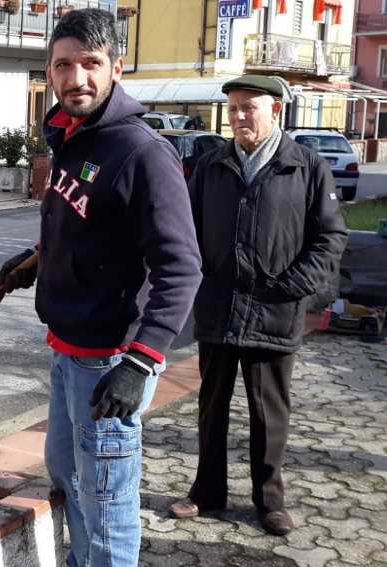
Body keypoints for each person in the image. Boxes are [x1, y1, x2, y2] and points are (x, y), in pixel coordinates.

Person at [0, 9, 202, 566]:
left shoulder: (142, 153)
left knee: (107, 505)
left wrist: (142, 361)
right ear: (50, 71)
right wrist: (36, 261)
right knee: (70, 483)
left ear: (117, 66)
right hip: (66, 351)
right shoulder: (72, 137)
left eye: (91, 63)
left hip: (109, 362)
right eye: (64, 65)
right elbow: (92, 229)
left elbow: (181, 268)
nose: (77, 77)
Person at [169, 75, 347, 536]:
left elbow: (330, 238)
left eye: (249, 107)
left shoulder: (305, 167)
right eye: (232, 109)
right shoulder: (211, 166)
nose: (239, 116)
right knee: (211, 407)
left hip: (274, 311)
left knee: (269, 413)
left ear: (276, 111)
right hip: (219, 309)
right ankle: (206, 492)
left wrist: (295, 286)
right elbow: (186, 231)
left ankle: (269, 501)